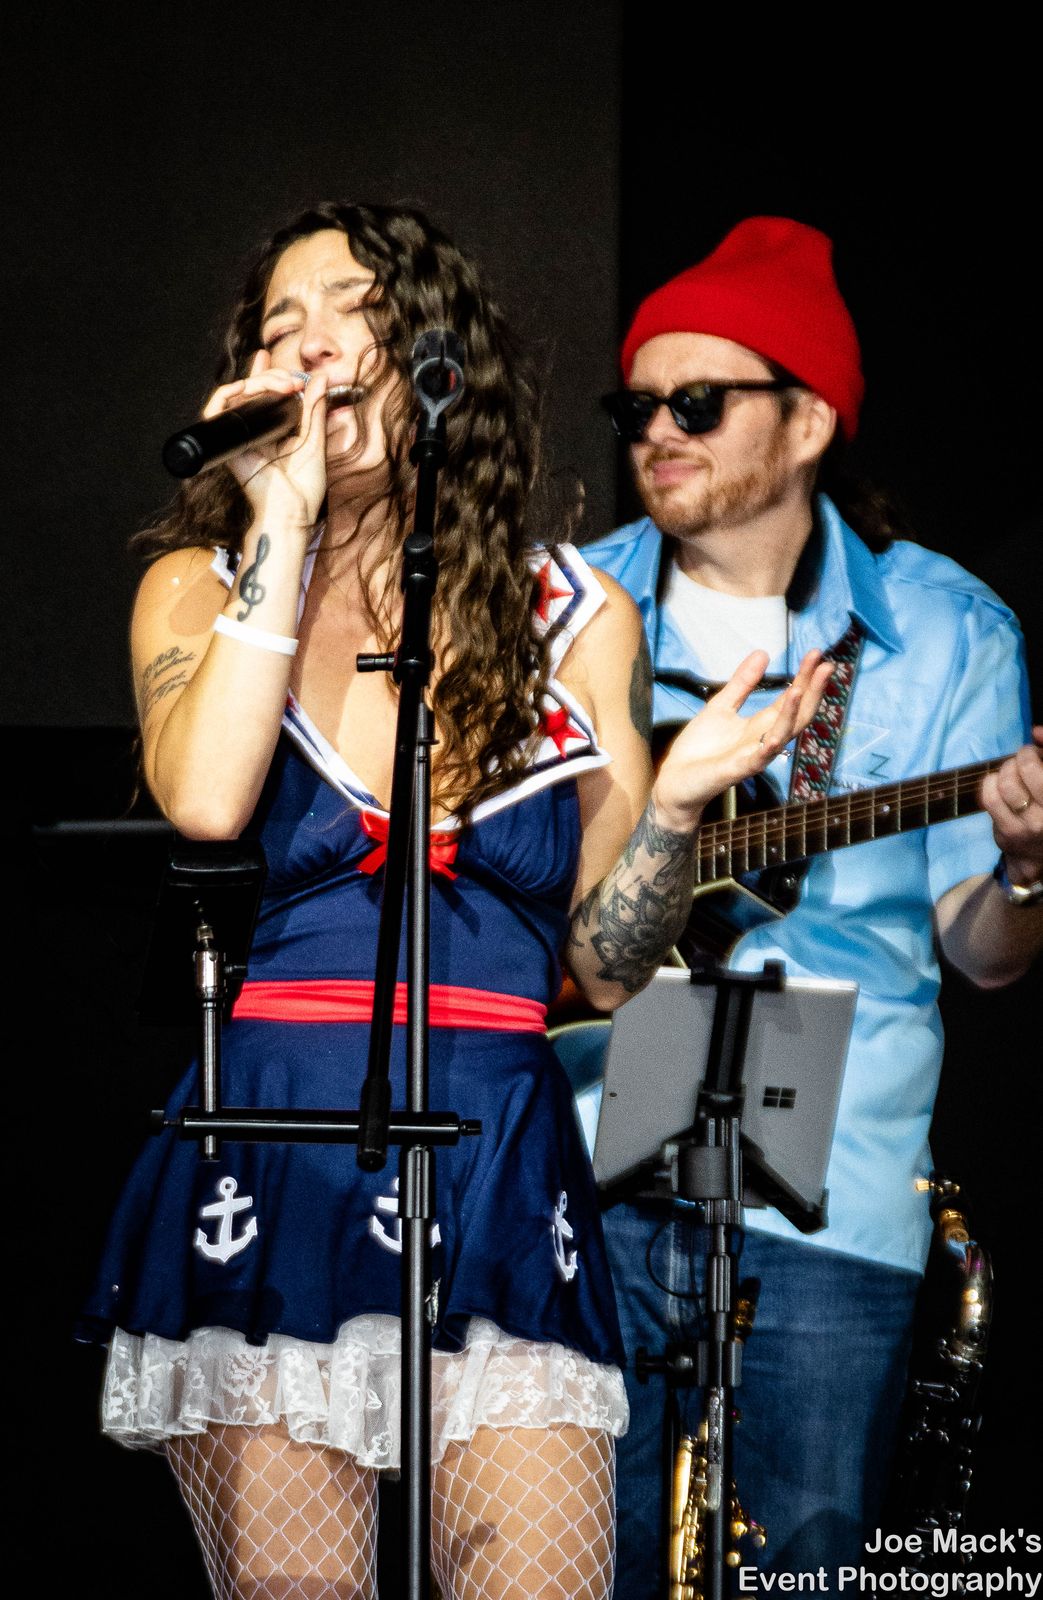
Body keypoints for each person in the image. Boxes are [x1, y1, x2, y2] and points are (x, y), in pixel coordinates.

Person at [76, 202, 832, 1600]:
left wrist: (671, 813)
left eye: (347, 311)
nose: (307, 345)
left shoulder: (574, 620)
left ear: (433, 357)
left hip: (499, 1156)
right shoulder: (200, 590)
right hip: (276, 1149)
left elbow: (608, 967)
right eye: (277, 327)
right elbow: (209, 800)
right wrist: (282, 517)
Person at [583, 215, 1043, 1595]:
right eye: (637, 406)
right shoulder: (571, 606)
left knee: (809, 1569)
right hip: (583, 1160)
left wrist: (1028, 868)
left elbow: (985, 953)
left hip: (830, 1197)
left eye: (698, 403)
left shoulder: (950, 628)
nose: (657, 432)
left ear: (809, 422)